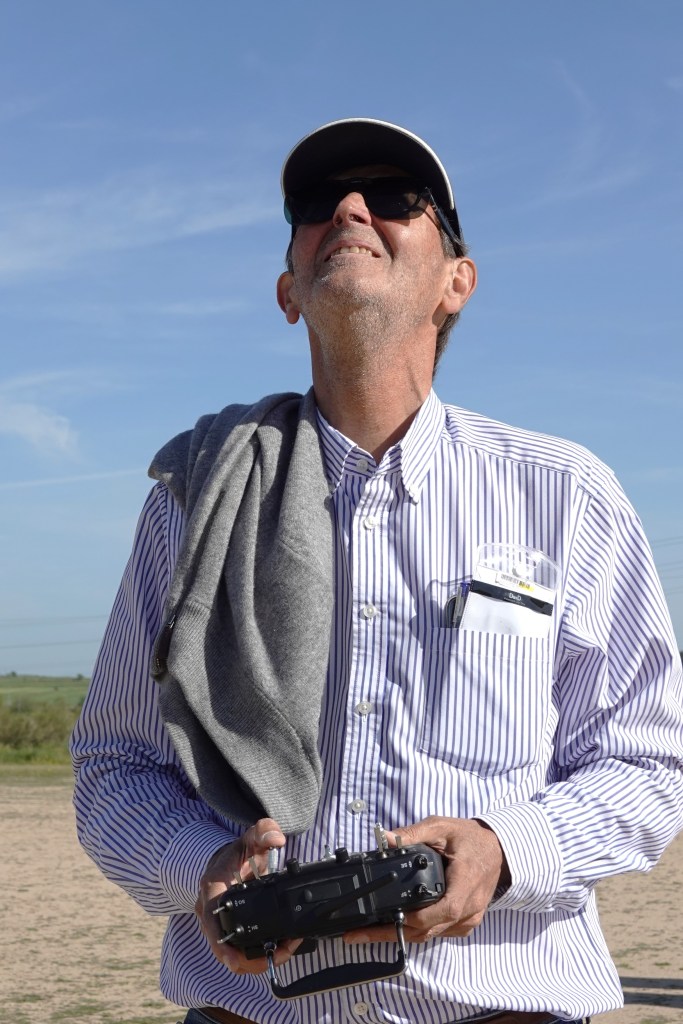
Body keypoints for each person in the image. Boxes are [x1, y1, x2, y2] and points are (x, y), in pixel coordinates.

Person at [71, 118, 683, 1024]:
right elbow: (116, 763)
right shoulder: (193, 501)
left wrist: (503, 850)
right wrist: (200, 865)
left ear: (455, 283)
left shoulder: (565, 495)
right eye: (319, 203)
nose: (351, 210)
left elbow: (648, 763)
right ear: (288, 291)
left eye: (395, 198)